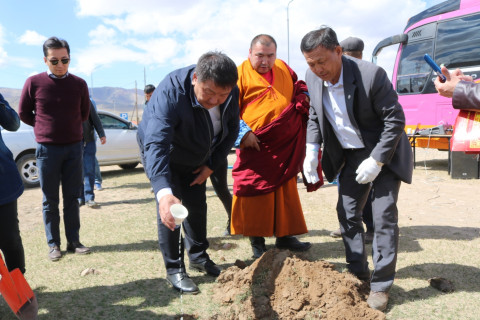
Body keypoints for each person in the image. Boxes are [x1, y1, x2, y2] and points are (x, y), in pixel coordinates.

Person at [300, 27, 413, 311]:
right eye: (310, 63)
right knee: (348, 213)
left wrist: (376, 161)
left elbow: (395, 121)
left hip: (382, 153)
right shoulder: (312, 78)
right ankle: (358, 273)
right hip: (350, 156)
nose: (317, 69)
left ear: (338, 51)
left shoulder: (370, 75)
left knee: (383, 216)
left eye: (321, 61)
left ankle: (381, 286)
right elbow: (315, 115)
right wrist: (311, 150)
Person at [138, 51, 239, 294]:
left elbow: (232, 129)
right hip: (167, 154)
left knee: (196, 205)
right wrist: (163, 192)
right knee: (172, 209)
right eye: (209, 93)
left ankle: (199, 257)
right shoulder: (171, 92)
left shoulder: (230, 91)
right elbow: (157, 142)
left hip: (197, 156)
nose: (215, 100)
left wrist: (212, 165)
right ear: (195, 78)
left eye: (222, 95)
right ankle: (174, 268)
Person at [231, 34, 311, 259]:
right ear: (249, 53)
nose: (265, 61)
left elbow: (299, 86)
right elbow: (226, 108)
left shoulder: (284, 68)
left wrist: (303, 97)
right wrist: (242, 133)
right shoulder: (238, 74)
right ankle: (257, 241)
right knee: (255, 192)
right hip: (255, 146)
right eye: (259, 56)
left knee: (285, 191)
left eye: (270, 56)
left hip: (284, 143)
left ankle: (285, 235)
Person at [18, 36, 91, 262]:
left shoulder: (79, 84)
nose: (60, 65)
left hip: (73, 148)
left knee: (72, 197)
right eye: (54, 61)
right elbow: (23, 113)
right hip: (47, 150)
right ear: (45, 60)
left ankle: (74, 241)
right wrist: (44, 128)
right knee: (50, 200)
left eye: (64, 60)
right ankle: (54, 245)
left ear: (70, 59)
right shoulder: (34, 83)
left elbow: (84, 114)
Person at [330, 36, 374, 244]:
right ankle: (347, 224)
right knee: (346, 189)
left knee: (368, 188)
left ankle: (372, 227)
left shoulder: (370, 75)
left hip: (368, 148)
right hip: (344, 147)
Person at [78, 98, 106, 208]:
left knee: (89, 169)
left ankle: (89, 197)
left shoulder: (86, 101)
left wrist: (101, 134)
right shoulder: (66, 100)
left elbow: (95, 119)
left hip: (88, 141)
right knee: (77, 171)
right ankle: (80, 198)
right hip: (73, 142)